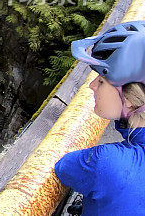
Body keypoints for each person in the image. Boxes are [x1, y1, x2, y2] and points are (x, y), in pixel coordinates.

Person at [54, 20, 145, 215]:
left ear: (129, 98)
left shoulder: (105, 162)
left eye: (102, 80)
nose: (92, 85)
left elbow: (64, 168)